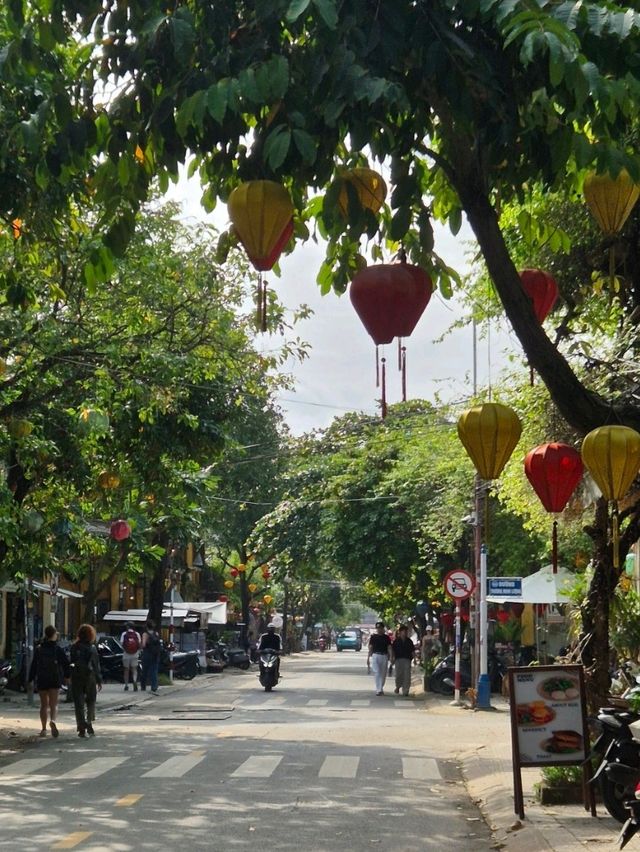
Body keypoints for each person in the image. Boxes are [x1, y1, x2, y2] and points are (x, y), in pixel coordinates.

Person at [28, 625, 71, 738]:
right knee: (53, 704)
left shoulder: (39, 648)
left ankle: (43, 729)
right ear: (54, 635)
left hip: (42, 678)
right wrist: (67, 676)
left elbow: (33, 665)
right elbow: (66, 663)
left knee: (43, 705)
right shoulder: (57, 649)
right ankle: (53, 720)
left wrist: (30, 679)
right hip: (54, 678)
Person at [70, 623, 102, 738]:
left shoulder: (74, 647)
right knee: (91, 701)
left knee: (79, 703)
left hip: (77, 676)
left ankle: (81, 726)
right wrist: (99, 679)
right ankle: (89, 721)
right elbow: (96, 665)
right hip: (90, 677)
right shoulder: (92, 648)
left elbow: (71, 662)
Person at [367, 621, 392, 696]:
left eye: (380, 628)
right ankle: (379, 690)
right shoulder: (373, 637)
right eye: (377, 628)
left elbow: (389, 647)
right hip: (375, 655)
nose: (379, 629)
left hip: (384, 656)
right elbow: (370, 647)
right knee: (377, 672)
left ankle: (380, 687)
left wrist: (391, 656)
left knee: (383, 674)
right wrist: (368, 658)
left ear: (383, 628)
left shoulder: (386, 637)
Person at [391, 624, 415, 697]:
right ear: (400, 632)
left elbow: (412, 651)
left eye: (406, 631)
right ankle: (398, 686)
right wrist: (392, 658)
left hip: (407, 660)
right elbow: (393, 651)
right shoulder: (396, 641)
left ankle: (405, 690)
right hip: (398, 660)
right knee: (398, 675)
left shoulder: (409, 641)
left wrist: (415, 660)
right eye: (403, 631)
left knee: (407, 676)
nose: (405, 633)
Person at [140, 619, 161, 695]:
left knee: (144, 671)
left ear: (147, 626)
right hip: (155, 655)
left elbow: (143, 645)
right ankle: (154, 686)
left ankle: (143, 686)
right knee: (154, 671)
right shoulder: (156, 633)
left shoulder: (145, 634)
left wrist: (140, 647)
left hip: (147, 654)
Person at [119, 621, 141, 691]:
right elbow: (139, 644)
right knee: (134, 669)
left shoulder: (124, 634)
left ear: (127, 627)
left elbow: (121, 644)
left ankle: (126, 685)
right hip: (135, 654)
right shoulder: (137, 634)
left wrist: (125, 649)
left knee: (126, 669)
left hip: (126, 654)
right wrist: (138, 651)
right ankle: (134, 680)